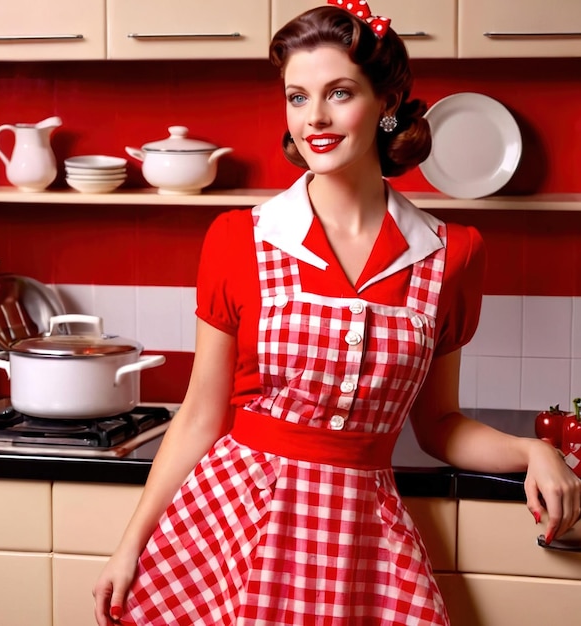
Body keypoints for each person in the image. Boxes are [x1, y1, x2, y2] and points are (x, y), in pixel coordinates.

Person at [93, 3, 581, 624]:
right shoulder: (239, 238)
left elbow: (438, 427)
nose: (314, 119)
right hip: (234, 526)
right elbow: (199, 416)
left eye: (339, 93)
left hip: (361, 538)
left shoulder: (450, 253)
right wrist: (130, 543)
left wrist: (534, 451)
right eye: (297, 97)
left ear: (388, 103)